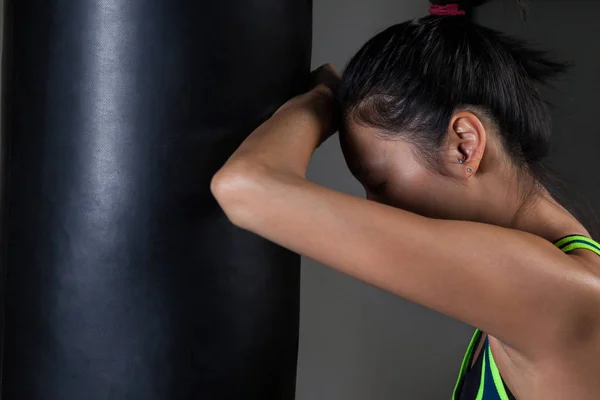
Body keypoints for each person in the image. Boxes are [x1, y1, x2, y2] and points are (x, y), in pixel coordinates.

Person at [211, 1, 600, 398]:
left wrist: (321, 100)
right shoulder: (541, 281)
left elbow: (244, 188)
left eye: (379, 183)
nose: (372, 207)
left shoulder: (550, 294)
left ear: (464, 147)